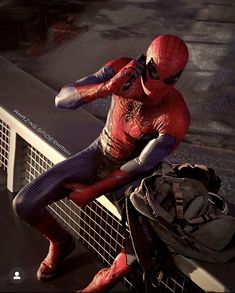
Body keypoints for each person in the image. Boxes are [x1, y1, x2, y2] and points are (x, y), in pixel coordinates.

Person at [12, 35, 190, 291]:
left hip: (131, 177)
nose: (153, 90)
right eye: (151, 75)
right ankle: (61, 242)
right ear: (144, 62)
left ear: (176, 78)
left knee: (143, 243)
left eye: (166, 82)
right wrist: (106, 88)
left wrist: (93, 191)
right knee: (24, 204)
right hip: (98, 152)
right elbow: (62, 100)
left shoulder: (175, 116)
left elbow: (140, 164)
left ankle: (101, 281)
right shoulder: (120, 69)